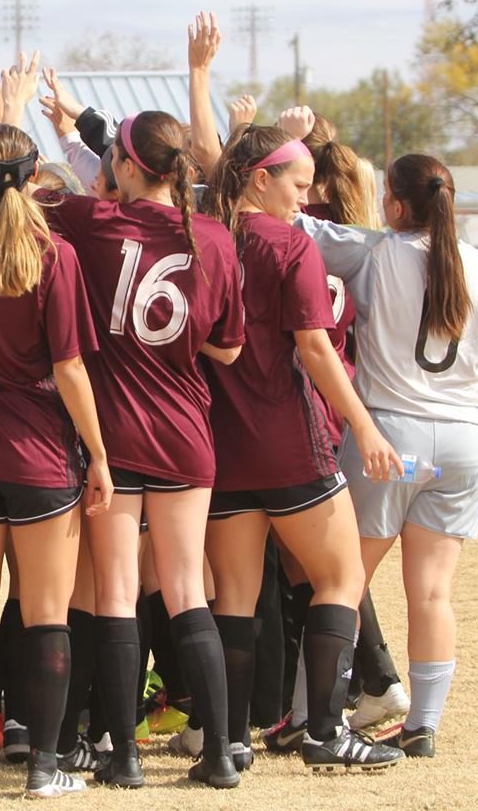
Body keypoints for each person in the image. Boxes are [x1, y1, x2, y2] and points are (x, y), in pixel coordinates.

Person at [37, 103, 246, 789]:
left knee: (118, 593)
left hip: (115, 430)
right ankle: (219, 752)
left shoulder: (95, 220)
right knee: (188, 590)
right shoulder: (212, 236)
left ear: (125, 165)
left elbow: (39, 194)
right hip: (187, 430)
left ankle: (121, 755)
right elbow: (231, 344)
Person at [295, 154, 478, 758]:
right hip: (463, 442)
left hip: (386, 441)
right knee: (431, 593)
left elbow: (298, 229)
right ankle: (424, 724)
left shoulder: (375, 253)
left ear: (396, 205)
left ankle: (305, 715)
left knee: (342, 582)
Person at [198, 118, 407, 772]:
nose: (304, 199)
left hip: (222, 448)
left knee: (232, 598)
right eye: (297, 184)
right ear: (261, 180)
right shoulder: (289, 246)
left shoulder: (203, 239)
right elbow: (315, 348)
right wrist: (367, 428)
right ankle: (323, 731)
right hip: (289, 442)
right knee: (340, 578)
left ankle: (228, 742)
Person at [0, 52, 112, 800]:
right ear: (37, 178)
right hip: (39, 459)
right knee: (46, 619)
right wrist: (98, 456)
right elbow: (70, 370)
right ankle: (42, 768)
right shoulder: (54, 252)